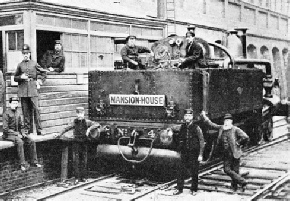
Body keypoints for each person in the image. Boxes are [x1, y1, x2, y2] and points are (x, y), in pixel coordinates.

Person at [200, 112, 249, 191]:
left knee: (235, 171)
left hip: (235, 152)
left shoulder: (235, 129)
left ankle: (235, 187)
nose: (226, 122)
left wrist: (239, 143)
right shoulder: (221, 128)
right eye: (225, 121)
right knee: (227, 170)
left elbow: (245, 137)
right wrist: (204, 117)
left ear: (231, 122)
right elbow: (211, 124)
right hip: (226, 153)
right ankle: (243, 182)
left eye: (228, 121)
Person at [57, 107, 101, 183]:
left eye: (81, 113)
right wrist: (59, 134)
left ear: (83, 113)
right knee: (76, 160)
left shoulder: (87, 122)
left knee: (84, 160)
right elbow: (66, 128)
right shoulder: (74, 122)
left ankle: (83, 177)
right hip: (76, 143)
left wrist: (89, 129)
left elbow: (97, 124)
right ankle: (77, 178)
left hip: (84, 143)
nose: (80, 115)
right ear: (76, 114)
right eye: (78, 113)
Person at [14, 44, 47, 135]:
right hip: (23, 91)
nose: (25, 55)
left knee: (36, 110)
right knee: (25, 112)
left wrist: (39, 81)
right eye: (24, 53)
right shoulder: (20, 65)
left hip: (33, 90)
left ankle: (39, 130)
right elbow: (15, 78)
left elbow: (44, 73)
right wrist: (21, 77)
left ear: (29, 54)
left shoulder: (34, 63)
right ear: (22, 54)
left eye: (27, 53)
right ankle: (27, 130)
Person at [2, 97, 42, 171]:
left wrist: (23, 133)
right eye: (13, 103)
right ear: (10, 104)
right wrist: (17, 134)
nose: (15, 105)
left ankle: (34, 162)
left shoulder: (18, 113)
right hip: (8, 135)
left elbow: (21, 125)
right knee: (20, 142)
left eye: (16, 103)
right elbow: (5, 129)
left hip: (18, 134)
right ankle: (22, 164)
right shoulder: (6, 114)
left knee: (31, 141)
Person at [172, 109, 205, 195]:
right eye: (186, 116)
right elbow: (179, 139)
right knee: (180, 171)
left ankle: (194, 189)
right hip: (184, 153)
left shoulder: (197, 128)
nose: (187, 118)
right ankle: (179, 189)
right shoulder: (182, 127)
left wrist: (200, 154)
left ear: (192, 117)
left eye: (189, 116)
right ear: (184, 117)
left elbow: (202, 141)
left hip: (194, 153)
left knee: (194, 172)